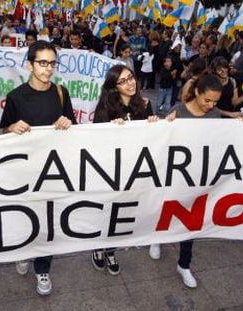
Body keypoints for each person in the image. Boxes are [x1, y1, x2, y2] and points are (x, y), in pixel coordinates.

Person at [0, 40, 76, 296]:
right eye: (43, 63)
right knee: (25, 220)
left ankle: (43, 267)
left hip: (53, 172)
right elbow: (4, 131)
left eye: (52, 63)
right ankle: (23, 252)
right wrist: (11, 128)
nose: (48, 69)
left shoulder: (61, 93)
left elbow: (74, 130)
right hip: (24, 174)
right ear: (30, 65)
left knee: (49, 224)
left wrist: (67, 124)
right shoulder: (15, 97)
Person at [163, 74, 243, 288]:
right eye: (207, 100)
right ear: (197, 93)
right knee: (165, 214)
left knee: (191, 222)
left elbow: (224, 129)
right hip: (175, 178)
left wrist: (242, 122)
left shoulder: (215, 114)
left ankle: (184, 264)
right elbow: (160, 143)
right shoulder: (178, 112)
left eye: (215, 102)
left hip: (200, 180)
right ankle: (156, 239)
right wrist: (165, 126)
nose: (210, 105)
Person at [92, 64, 157, 274]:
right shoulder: (105, 109)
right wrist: (111, 130)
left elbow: (151, 139)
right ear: (114, 87)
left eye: (131, 78)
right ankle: (98, 246)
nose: (130, 83)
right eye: (123, 81)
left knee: (123, 214)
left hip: (135, 171)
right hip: (111, 172)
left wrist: (155, 124)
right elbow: (95, 143)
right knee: (107, 213)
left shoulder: (145, 105)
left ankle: (110, 251)